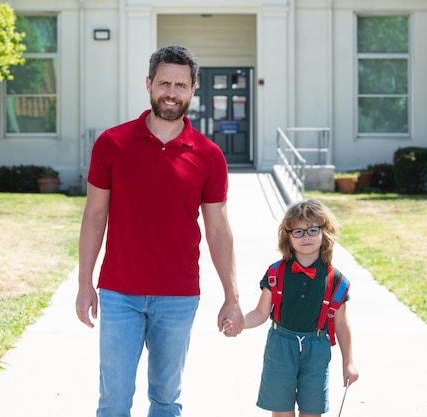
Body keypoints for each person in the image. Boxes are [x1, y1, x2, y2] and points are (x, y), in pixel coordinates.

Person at [75, 44, 244, 417]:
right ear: (149, 84)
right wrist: (85, 282)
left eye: (180, 85)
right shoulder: (112, 144)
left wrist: (232, 296)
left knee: (167, 401)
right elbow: (94, 216)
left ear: (193, 88)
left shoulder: (208, 154)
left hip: (178, 296)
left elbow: (218, 231)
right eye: (164, 83)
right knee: (113, 400)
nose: (171, 92)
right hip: (119, 293)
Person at [223, 200, 358, 417]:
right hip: (280, 346)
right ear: (288, 236)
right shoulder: (276, 272)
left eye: (313, 230)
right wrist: (239, 324)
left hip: (317, 349)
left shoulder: (335, 279)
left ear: (325, 233)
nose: (306, 236)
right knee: (282, 412)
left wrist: (348, 363)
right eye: (298, 231)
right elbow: (260, 313)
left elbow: (341, 324)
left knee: (312, 411)